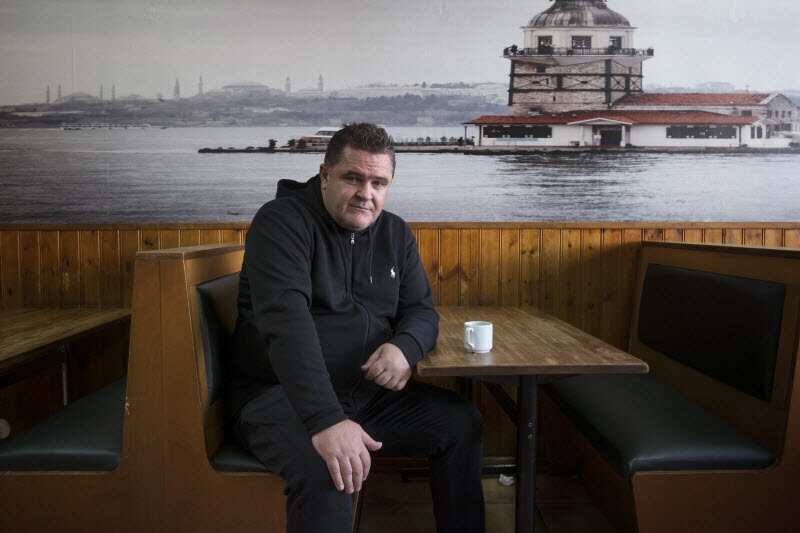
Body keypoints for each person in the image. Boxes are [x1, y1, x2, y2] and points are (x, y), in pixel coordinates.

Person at [227, 123, 485, 533]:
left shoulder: (396, 232)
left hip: (364, 395)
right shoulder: (281, 222)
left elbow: (422, 310)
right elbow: (286, 325)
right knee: (330, 465)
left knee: (460, 423)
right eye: (353, 178)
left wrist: (405, 348)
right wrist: (327, 421)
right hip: (278, 395)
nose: (367, 193)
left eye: (379, 182)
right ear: (325, 174)